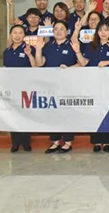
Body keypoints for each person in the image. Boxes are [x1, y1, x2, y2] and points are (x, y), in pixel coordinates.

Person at [34, 21, 79, 153]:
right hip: (50, 85)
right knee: (52, 113)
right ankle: (55, 141)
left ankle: (68, 141)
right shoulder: (48, 46)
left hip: (68, 85)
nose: (58, 31)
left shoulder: (72, 44)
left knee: (66, 112)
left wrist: (70, 68)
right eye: (56, 29)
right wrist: (38, 49)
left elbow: (82, 63)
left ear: (67, 31)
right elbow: (39, 63)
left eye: (62, 29)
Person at [71, 22, 109, 152]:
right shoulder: (90, 46)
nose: (103, 33)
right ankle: (96, 141)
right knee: (94, 111)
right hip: (92, 83)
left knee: (107, 112)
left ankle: (106, 142)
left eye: (106, 30)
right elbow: (83, 62)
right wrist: (78, 52)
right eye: (100, 30)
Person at [3, 24, 37, 152]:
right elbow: (5, 69)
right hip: (11, 86)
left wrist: (30, 56)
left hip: (26, 87)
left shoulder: (29, 49)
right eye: (15, 33)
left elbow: (35, 67)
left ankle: (26, 142)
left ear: (24, 35)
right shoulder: (7, 51)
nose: (17, 36)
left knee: (25, 114)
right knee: (13, 114)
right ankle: (15, 142)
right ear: (11, 35)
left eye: (20, 33)